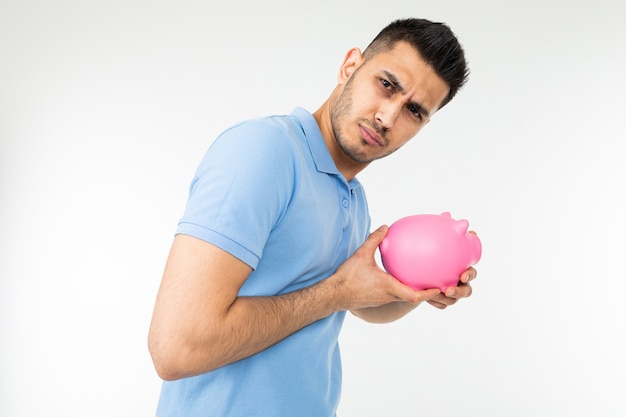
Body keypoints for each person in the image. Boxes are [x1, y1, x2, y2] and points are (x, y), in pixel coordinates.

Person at [148, 17, 477, 417]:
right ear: (350, 66)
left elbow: (358, 301)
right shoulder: (264, 151)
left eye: (414, 111)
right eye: (387, 85)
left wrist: (419, 291)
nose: (388, 117)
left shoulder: (353, 196)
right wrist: (336, 292)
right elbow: (175, 348)